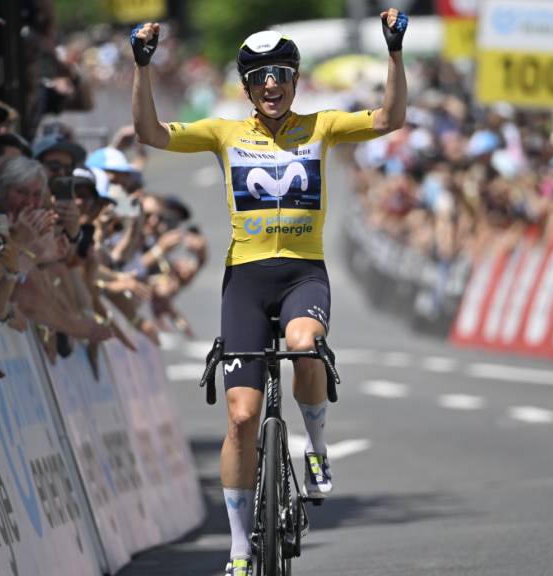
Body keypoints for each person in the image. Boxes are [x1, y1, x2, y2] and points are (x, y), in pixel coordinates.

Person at [131, 10, 408, 574]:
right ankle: (238, 544)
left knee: (305, 345)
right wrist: (142, 67)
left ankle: (316, 446)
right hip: (247, 282)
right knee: (240, 417)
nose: (272, 86)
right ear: (247, 87)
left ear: (295, 80)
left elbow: (390, 118)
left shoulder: (323, 126)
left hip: (304, 272)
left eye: (282, 75)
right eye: (261, 78)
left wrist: (394, 54)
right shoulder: (224, 132)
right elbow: (149, 134)